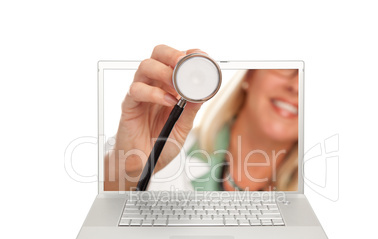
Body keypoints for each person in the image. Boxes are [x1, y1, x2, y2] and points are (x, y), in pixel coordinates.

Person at [104, 45, 298, 192]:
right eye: (289, 67)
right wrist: (128, 168)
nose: (297, 87)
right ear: (250, 74)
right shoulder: (165, 145)